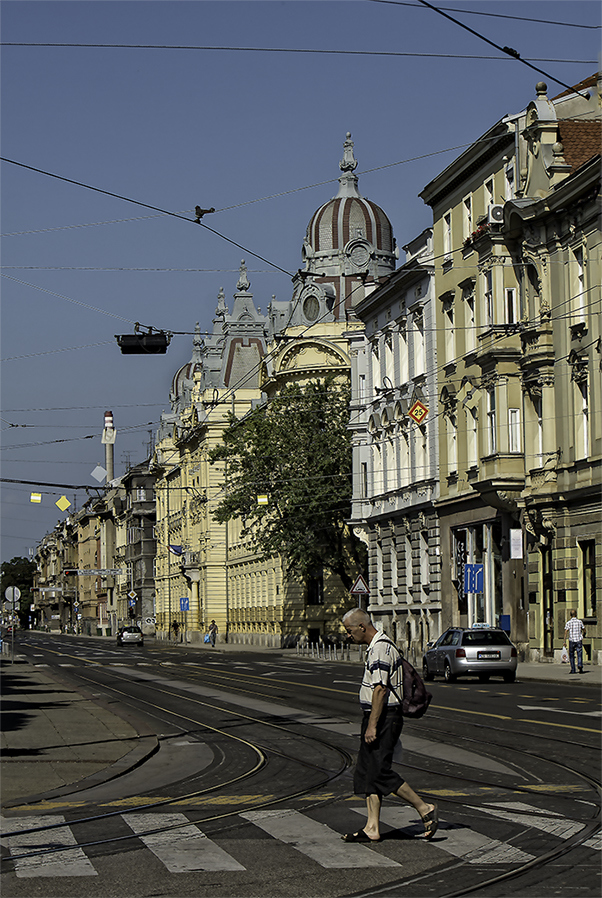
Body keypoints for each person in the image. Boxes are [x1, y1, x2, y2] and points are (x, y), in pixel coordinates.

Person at [341, 607, 438, 844]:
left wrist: (372, 725)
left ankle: (424, 807)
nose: (348, 635)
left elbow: (381, 689)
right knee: (366, 771)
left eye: (349, 630)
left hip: (385, 717)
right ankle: (372, 826)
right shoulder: (375, 647)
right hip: (377, 717)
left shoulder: (381, 648)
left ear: (362, 627)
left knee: (380, 771)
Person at [564, 609, 586, 674]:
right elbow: (584, 629)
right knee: (579, 653)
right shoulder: (580, 622)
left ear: (570, 615)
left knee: (571, 655)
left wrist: (564, 641)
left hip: (572, 640)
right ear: (576, 614)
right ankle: (580, 665)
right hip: (579, 640)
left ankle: (573, 669)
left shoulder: (568, 622)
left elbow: (566, 632)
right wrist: (582, 635)